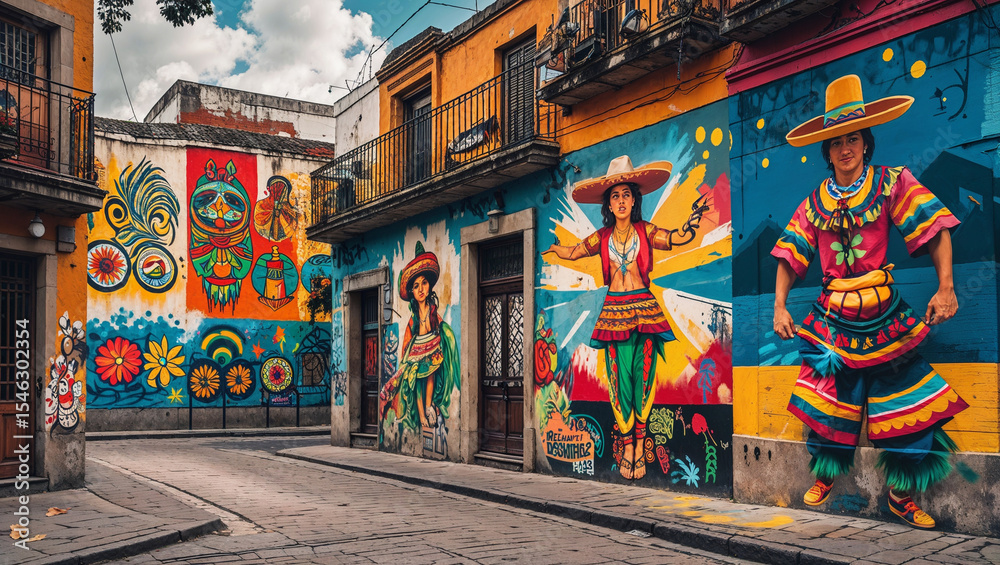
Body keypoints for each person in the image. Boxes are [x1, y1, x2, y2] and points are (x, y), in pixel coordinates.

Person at [772, 75, 968, 529]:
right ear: (827, 151)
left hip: (884, 316)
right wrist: (779, 306)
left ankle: (901, 495)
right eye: (837, 142)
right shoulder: (813, 203)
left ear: (866, 143)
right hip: (832, 318)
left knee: (909, 404)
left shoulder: (891, 183)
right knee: (825, 401)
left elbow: (934, 228)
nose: (846, 148)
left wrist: (946, 286)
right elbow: (790, 254)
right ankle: (826, 472)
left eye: (853, 138)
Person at [543, 155, 708, 480]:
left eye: (626, 195)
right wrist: (556, 250)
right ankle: (628, 446)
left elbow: (675, 238)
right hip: (614, 313)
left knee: (643, 377)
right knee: (618, 381)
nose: (621, 201)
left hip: (644, 310)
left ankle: (639, 444)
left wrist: (692, 222)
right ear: (609, 204)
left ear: (635, 201)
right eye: (615, 196)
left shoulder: (646, 231)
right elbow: (576, 251)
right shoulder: (602, 237)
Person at [380, 242, 459, 431]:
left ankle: (429, 405)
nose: (421, 289)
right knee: (415, 380)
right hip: (417, 348)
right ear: (412, 292)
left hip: (432, 344)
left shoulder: (432, 310)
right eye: (416, 286)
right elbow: (409, 336)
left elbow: (440, 326)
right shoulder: (414, 316)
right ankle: (422, 414)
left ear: (430, 285)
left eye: (424, 283)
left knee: (431, 374)